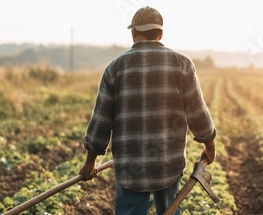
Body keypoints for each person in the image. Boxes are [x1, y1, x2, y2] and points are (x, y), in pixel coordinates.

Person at [79, 6, 217, 215]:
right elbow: (197, 112)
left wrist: (90, 162)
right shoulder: (182, 64)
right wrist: (209, 145)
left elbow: (101, 120)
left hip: (130, 167)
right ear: (160, 34)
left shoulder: (115, 68)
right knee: (169, 209)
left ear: (133, 33)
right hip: (168, 162)